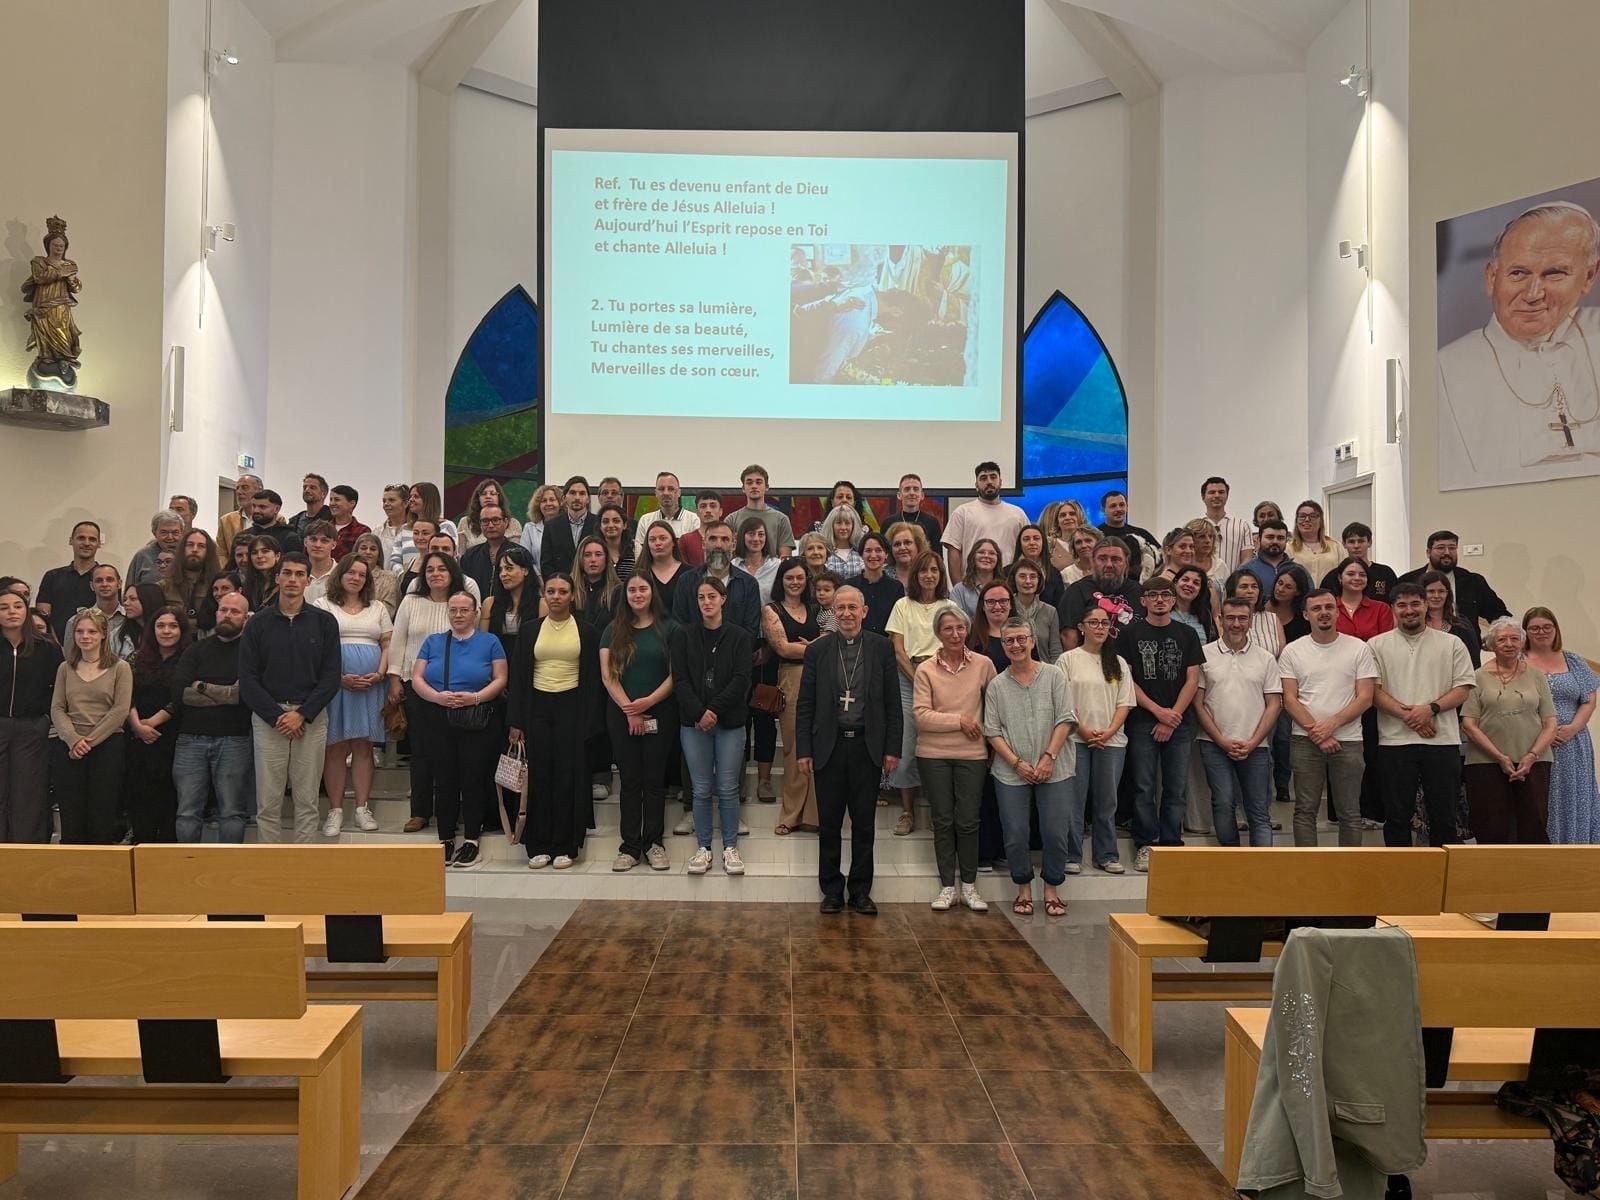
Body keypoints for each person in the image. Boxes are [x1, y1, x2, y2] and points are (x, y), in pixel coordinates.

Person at [1437, 202, 1600, 489]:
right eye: (1519, 273)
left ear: (1588, 277)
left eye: (1554, 274)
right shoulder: (1447, 368)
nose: (1534, 294)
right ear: (1491, 278)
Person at [796, 585, 901, 915]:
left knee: (864, 824)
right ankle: (831, 890)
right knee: (828, 823)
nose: (846, 613)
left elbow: (892, 704)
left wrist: (892, 749)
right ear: (833, 612)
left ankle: (860, 891)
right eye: (840, 608)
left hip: (867, 748)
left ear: (864, 611)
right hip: (830, 745)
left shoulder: (882, 648)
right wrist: (803, 750)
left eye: (852, 607)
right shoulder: (818, 651)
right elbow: (805, 705)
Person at [239, 554, 340, 843]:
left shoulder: (324, 622)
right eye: (287, 573)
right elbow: (248, 678)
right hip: (269, 719)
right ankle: (270, 865)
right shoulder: (258, 623)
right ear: (277, 578)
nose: (293, 580)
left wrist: (303, 713)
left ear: (308, 581)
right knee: (268, 802)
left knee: (307, 800)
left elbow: (331, 676)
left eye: (299, 574)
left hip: (311, 718)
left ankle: (303, 865)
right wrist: (276, 716)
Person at [1369, 583, 1477, 847]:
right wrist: (1414, 718)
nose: (1410, 610)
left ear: (1427, 605)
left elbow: (1463, 687)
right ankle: (1400, 878)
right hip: (1394, 742)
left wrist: (1430, 710)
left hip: (1442, 742)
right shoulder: (1375, 645)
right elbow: (1373, 691)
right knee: (1396, 817)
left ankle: (1443, 879)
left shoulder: (1452, 643)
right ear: (1393, 609)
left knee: (1444, 817)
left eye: (1415, 603)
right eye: (1402, 605)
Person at [509, 573, 602, 870]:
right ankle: (538, 845)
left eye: (563, 591)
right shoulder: (529, 630)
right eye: (551, 591)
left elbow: (593, 681)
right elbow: (519, 678)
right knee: (540, 776)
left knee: (568, 777)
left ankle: (566, 845)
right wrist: (516, 721)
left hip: (572, 708)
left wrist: (590, 722)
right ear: (544, 595)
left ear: (573, 596)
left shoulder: (587, 632)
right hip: (537, 708)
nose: (557, 596)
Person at [985, 617, 1076, 917]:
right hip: (1011, 771)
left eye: (1021, 639)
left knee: (1054, 832)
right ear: (1003, 645)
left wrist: (1048, 757)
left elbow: (1065, 718)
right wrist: (1017, 763)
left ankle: (1051, 889)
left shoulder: (1054, 676)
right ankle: (1023, 888)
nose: (1016, 645)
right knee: (1014, 832)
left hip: (1056, 767)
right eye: (1009, 640)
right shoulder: (997, 684)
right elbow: (993, 731)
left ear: (1033, 640)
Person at [413, 590, 507, 868]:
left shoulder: (490, 641)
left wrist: (476, 697)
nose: (458, 615)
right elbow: (417, 677)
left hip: (476, 719)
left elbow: (501, 678)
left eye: (464, 610)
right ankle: (445, 838)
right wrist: (436, 697)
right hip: (438, 717)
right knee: (444, 779)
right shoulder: (433, 641)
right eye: (453, 610)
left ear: (475, 612)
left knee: (473, 777)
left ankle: (471, 840)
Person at [1278, 589, 1378, 847]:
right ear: (1305, 614)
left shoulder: (1359, 648)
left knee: (1350, 813)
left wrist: (1330, 727)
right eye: (1316, 608)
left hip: (1349, 741)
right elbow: (1289, 699)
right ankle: (1308, 871)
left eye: (1328, 607)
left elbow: (1365, 697)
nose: (1323, 613)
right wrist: (1317, 733)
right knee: (1304, 811)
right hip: (1304, 741)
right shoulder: (1293, 651)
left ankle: (1347, 873)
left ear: (1336, 611)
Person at [1117, 577, 1203, 872]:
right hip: (1142, 721)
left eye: (1165, 595)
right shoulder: (1129, 634)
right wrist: (1158, 712)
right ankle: (1146, 845)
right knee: (1143, 787)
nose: (1159, 600)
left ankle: (1171, 844)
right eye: (1152, 595)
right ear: (1143, 601)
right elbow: (1127, 680)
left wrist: (1173, 716)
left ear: (1173, 599)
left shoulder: (1187, 633)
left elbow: (1193, 680)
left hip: (1179, 723)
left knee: (1175, 788)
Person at [670, 577, 753, 876]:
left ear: (723, 599)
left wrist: (713, 709)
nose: (706, 602)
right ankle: (704, 847)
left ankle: (730, 848)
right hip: (694, 723)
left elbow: (742, 680)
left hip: (729, 723)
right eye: (701, 597)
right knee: (702, 788)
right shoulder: (683, 636)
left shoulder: (741, 637)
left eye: (712, 596)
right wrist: (699, 712)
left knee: (728, 788)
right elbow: (680, 680)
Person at [914, 603, 995, 910]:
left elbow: (995, 707)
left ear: (968, 630)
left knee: (969, 820)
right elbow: (921, 716)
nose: (955, 634)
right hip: (932, 754)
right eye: (947, 628)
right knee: (943, 819)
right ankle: (948, 886)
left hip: (972, 754)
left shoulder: (984, 665)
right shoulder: (925, 670)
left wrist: (988, 739)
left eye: (960, 628)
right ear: (938, 633)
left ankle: (971, 887)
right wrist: (959, 721)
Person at [600, 573, 677, 871]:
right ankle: (630, 847)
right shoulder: (612, 629)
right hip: (621, 715)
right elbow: (608, 676)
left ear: (651, 592)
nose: (637, 594)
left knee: (654, 780)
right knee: (630, 780)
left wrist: (649, 702)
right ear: (626, 595)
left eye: (642, 588)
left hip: (660, 712)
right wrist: (630, 710)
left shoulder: (668, 628)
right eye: (631, 589)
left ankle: (654, 844)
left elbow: (674, 674)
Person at [1194, 597, 1284, 848]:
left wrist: (1254, 741)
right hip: (1213, 743)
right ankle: (1231, 860)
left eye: (1242, 618)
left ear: (1251, 621)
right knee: (1223, 803)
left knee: (1258, 810)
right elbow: (1198, 704)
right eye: (1230, 618)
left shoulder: (1266, 658)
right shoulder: (1204, 654)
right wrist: (1221, 740)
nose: (1236, 624)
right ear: (1220, 620)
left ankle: (1260, 866)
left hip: (1256, 745)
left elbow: (1274, 703)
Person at [1461, 619, 1558, 844]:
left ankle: (1532, 876)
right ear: (1491, 644)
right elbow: (1469, 724)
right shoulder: (1477, 677)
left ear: (1522, 643)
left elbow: (1550, 723)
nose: (1508, 644)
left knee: (1534, 824)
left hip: (1534, 762)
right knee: (1490, 826)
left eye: (1514, 638)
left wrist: (1531, 756)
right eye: (1502, 639)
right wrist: (1500, 757)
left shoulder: (1537, 676)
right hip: (1485, 762)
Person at [390, 551, 467, 833]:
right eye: (430, 569)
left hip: (455, 689)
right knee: (421, 752)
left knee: (452, 752)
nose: (435, 573)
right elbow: (397, 641)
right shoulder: (411, 602)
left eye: (442, 569)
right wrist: (395, 679)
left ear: (452, 573)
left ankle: (451, 808)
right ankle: (420, 811)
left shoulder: (460, 604)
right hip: (416, 685)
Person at [314, 554, 391, 836]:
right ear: (341, 575)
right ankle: (335, 810)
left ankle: (361, 808)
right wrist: (337, 678)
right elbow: (316, 649)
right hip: (335, 685)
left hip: (371, 686)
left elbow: (387, 646)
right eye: (351, 572)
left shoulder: (378, 607)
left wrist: (379, 674)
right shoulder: (323, 605)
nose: (356, 577)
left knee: (363, 746)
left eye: (362, 574)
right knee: (334, 747)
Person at [171, 591, 253, 843]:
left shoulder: (251, 653)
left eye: (235, 611)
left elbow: (245, 697)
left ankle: (229, 873)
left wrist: (202, 686)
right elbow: (179, 694)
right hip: (190, 741)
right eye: (224, 610)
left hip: (234, 740)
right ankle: (188, 868)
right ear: (216, 613)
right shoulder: (196, 649)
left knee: (231, 812)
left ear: (246, 618)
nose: (228, 615)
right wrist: (226, 692)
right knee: (186, 812)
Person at [49, 607, 132, 843]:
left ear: (103, 634)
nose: (85, 637)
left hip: (107, 746)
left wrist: (90, 741)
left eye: (92, 632)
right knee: (71, 815)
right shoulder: (65, 668)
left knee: (102, 815)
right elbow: (57, 708)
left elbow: (120, 710)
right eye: (80, 632)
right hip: (69, 746)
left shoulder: (120, 668)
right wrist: (74, 740)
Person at [1060, 606, 1133, 873]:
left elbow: (1125, 703)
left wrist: (1109, 731)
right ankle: (1071, 855)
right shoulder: (1068, 660)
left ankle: (1107, 855)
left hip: (1111, 742)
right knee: (1074, 801)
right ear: (1082, 627)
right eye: (1094, 622)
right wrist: (1084, 730)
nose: (1100, 627)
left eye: (1104, 623)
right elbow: (1064, 701)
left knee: (1107, 801)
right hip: (1076, 740)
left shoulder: (1119, 662)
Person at [1523, 606, 1600, 843]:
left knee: (1573, 796)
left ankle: (1576, 847)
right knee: (1540, 797)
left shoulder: (1574, 660)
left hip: (1573, 742)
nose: (1541, 632)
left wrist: (1572, 729)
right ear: (1525, 632)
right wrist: (1544, 732)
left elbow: (1588, 700)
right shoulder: (1517, 660)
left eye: (1547, 627)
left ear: (1556, 629)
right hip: (1532, 743)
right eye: (1534, 628)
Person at [885, 550, 947, 835]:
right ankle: (907, 812)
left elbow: (956, 645)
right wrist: (919, 679)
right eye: (923, 570)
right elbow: (897, 650)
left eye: (934, 570)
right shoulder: (902, 605)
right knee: (907, 748)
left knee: (937, 750)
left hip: (944, 682)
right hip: (907, 678)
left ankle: (939, 812)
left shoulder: (949, 606)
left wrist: (934, 681)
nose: (929, 575)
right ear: (915, 575)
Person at [0, 588, 64, 842]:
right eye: (4, 607)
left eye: (17, 606)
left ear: (26, 610)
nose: (12, 612)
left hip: (31, 728)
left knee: (28, 793)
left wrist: (45, 717)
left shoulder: (45, 647)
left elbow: (58, 687)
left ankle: (25, 853)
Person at [762, 559, 821, 838]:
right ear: (781, 581)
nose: (795, 582)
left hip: (822, 679)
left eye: (800, 578)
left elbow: (832, 639)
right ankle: (791, 814)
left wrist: (813, 647)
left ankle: (815, 815)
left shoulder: (816, 608)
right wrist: (814, 648)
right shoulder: (771, 610)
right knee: (794, 747)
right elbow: (783, 648)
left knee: (820, 745)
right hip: (792, 678)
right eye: (789, 578)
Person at [124, 604, 192, 843]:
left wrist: (152, 722)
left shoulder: (190, 658)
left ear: (182, 630)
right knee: (140, 796)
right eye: (160, 625)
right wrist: (137, 726)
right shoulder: (136, 658)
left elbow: (182, 697)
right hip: (137, 737)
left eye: (173, 626)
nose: (166, 631)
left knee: (169, 798)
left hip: (174, 738)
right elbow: (125, 695)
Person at [1398, 531, 1511, 631]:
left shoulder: (1473, 581)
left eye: (1452, 548)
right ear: (1428, 552)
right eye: (1441, 548)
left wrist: (1499, 636)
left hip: (1466, 646)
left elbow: (1498, 614)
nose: (1447, 552)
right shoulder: (1408, 581)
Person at [669, 519, 761, 636]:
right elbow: (679, 626)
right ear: (703, 544)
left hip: (735, 653)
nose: (718, 545)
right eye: (712, 539)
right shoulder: (686, 581)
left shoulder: (749, 584)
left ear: (733, 545)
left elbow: (751, 631)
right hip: (694, 653)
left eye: (725, 539)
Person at [941, 460, 1028, 580]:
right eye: (983, 478)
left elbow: (1027, 551)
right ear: (976, 485)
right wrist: (958, 589)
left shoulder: (1018, 514)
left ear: (1001, 482)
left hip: (1009, 584)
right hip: (972, 585)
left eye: (993, 477)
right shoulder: (962, 512)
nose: (989, 482)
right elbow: (954, 552)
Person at [1058, 537, 1142, 651]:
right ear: (1093, 561)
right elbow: (1068, 637)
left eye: (1116, 559)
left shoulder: (1139, 592)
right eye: (1102, 559)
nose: (1109, 565)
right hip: (1089, 663)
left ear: (1126, 563)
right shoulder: (1077, 591)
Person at [36, 520, 101, 641]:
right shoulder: (52, 577)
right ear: (71, 541)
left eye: (92, 539)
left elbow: (112, 615)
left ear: (99, 544)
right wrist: (55, 646)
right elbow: (43, 618)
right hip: (56, 648)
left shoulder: (105, 580)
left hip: (95, 646)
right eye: (81, 538)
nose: (87, 543)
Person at [1318, 522, 1398, 602]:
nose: (1356, 546)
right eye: (1351, 542)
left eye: (1361, 541)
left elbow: (1396, 602)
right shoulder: (1333, 576)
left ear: (1369, 543)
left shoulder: (1385, 573)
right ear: (1344, 544)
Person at [540, 476, 600, 580]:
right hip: (561, 588)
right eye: (572, 493)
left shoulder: (598, 524)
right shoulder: (551, 526)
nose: (577, 497)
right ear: (564, 498)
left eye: (582, 493)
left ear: (588, 499)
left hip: (592, 587)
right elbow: (546, 564)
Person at [1420, 569, 1482, 667]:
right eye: (1431, 591)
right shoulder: (1414, 625)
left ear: (1447, 594)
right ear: (1421, 594)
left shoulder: (1462, 625)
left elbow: (1474, 662)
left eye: (1441, 591)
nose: (1436, 596)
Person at [631, 471, 700, 556]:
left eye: (671, 489)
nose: (666, 493)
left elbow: (696, 555)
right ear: (656, 493)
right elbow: (639, 556)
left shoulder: (694, 520)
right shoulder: (645, 520)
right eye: (661, 489)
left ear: (679, 492)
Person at [733, 464, 795, 557]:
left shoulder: (781, 519)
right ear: (743, 488)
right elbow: (729, 552)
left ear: (767, 487)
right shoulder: (732, 519)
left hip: (773, 571)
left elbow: (785, 557)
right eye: (749, 482)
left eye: (758, 482)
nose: (754, 486)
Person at [165, 528, 220, 631]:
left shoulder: (217, 585)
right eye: (190, 545)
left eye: (201, 546)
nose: (195, 549)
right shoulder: (165, 585)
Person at [1097, 489, 1160, 579]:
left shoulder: (1141, 533)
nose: (1118, 509)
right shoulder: (1097, 534)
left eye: (1122, 505)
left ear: (1127, 507)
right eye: (1113, 506)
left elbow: (1161, 557)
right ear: (1103, 510)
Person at [1010, 558, 1062, 663]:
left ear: (1039, 581)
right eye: (1022, 576)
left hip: (1044, 672)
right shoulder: (1006, 608)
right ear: (1014, 579)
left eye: (1033, 576)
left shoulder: (1050, 612)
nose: (1028, 581)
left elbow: (1055, 650)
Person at [853, 532, 904, 638]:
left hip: (886, 645)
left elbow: (898, 626)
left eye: (878, 550)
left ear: (886, 554)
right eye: (868, 550)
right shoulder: (850, 586)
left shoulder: (896, 588)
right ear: (861, 555)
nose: (873, 555)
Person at [1331, 558, 1395, 642]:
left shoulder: (1381, 609)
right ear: (1340, 578)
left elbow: (1385, 644)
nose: (1357, 578)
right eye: (1351, 574)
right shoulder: (1329, 608)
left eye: (1362, 575)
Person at [460, 502, 515, 597]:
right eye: (485, 521)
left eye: (495, 520)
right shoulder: (470, 556)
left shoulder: (519, 553)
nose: (490, 525)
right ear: (480, 524)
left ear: (506, 522)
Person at [1198, 476, 1253, 570]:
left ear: (1227, 496)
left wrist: (1235, 580)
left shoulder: (1242, 525)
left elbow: (1247, 558)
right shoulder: (1195, 526)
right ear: (1203, 497)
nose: (1217, 495)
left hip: (1233, 582)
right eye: (1212, 492)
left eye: (1221, 492)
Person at [456, 479, 522, 555]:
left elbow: (516, 555)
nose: (488, 496)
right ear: (478, 498)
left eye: (492, 493)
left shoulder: (513, 523)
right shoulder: (466, 522)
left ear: (499, 497)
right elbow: (460, 556)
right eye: (483, 494)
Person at [968, 580, 1021, 672]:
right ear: (983, 606)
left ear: (1011, 604)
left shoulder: (1024, 633)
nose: (997, 606)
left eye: (1003, 601)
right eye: (991, 602)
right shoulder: (970, 635)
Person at [573, 536, 622, 634]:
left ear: (606, 559)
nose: (593, 560)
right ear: (580, 559)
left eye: (598, 554)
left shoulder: (618, 591)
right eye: (587, 555)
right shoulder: (570, 590)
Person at [126, 509, 186, 587]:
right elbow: (130, 589)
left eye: (175, 533)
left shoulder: (188, 555)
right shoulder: (142, 556)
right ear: (154, 533)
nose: (170, 537)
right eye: (164, 532)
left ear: (182, 533)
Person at [639, 520, 689, 612]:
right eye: (652, 539)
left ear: (674, 542)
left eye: (663, 538)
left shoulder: (689, 574)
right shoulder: (639, 574)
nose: (657, 543)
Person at [1287, 500, 1340, 583]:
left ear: (1321, 521)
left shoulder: (1336, 546)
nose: (1307, 519)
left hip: (1330, 595)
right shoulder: (1288, 548)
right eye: (1302, 516)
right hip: (1300, 595)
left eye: (1312, 516)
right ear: (1296, 521)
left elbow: (1345, 572)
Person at [1241, 519, 1299, 595]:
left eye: (1280, 538)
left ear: (1286, 541)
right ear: (1259, 540)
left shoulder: (1298, 571)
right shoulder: (1245, 571)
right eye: (1270, 537)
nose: (1275, 541)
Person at [948, 538, 1002, 618]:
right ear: (973, 557)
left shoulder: (1005, 588)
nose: (986, 556)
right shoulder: (959, 590)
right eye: (981, 552)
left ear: (998, 559)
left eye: (991, 553)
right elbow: (955, 621)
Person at [352, 532, 401, 618]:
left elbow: (388, 612)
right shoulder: (346, 576)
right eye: (363, 548)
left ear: (379, 555)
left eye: (373, 549)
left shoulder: (389, 578)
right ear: (356, 552)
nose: (368, 552)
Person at [114, 583, 165, 663]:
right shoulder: (117, 634)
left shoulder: (166, 633)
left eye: (133, 599)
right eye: (125, 599)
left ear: (149, 600)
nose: (126, 603)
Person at [517, 484, 564, 571]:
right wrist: (538, 577)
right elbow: (525, 557)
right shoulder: (529, 528)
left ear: (560, 503)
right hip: (536, 581)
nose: (548, 503)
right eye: (544, 501)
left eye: (552, 500)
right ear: (538, 505)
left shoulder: (566, 527)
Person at [242, 489, 302, 554]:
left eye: (262, 507)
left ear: (276, 509)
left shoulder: (290, 538)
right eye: (254, 506)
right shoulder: (243, 536)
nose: (256, 510)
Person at [1169, 564, 1216, 645]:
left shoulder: (1205, 615)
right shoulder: (1164, 611)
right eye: (1185, 580)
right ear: (1175, 582)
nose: (1189, 585)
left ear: (1200, 591)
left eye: (1196, 583)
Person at [893, 472, 943, 546]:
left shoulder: (932, 522)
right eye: (907, 489)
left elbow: (937, 555)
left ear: (922, 495)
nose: (912, 493)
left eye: (916, 489)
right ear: (899, 495)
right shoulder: (889, 523)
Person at [733, 515, 780, 595]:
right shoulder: (733, 566)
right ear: (742, 536)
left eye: (761, 534)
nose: (756, 539)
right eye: (751, 534)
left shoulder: (777, 566)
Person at [674, 493, 723, 568]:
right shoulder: (686, 540)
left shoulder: (729, 538)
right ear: (696, 511)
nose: (708, 510)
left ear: (720, 511)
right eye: (703, 506)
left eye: (713, 506)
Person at [299, 520, 340, 604]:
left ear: (334, 545)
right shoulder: (295, 574)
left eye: (324, 541)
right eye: (313, 539)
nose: (318, 545)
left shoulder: (342, 574)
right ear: (305, 542)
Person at [820, 505, 864, 577]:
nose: (843, 527)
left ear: (853, 526)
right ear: (831, 525)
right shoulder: (824, 552)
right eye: (839, 523)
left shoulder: (861, 552)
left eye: (847, 523)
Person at [327, 485, 369, 559]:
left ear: (352, 503)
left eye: (337, 499)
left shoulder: (363, 531)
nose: (332, 503)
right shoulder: (322, 529)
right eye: (331, 499)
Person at [242, 535, 282, 612]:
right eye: (254, 553)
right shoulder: (248, 585)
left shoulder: (284, 582)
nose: (259, 556)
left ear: (277, 556)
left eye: (265, 551)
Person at [375, 482, 410, 570]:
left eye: (391, 500)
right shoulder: (378, 531)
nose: (386, 504)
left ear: (405, 503)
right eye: (384, 501)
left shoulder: (415, 531)